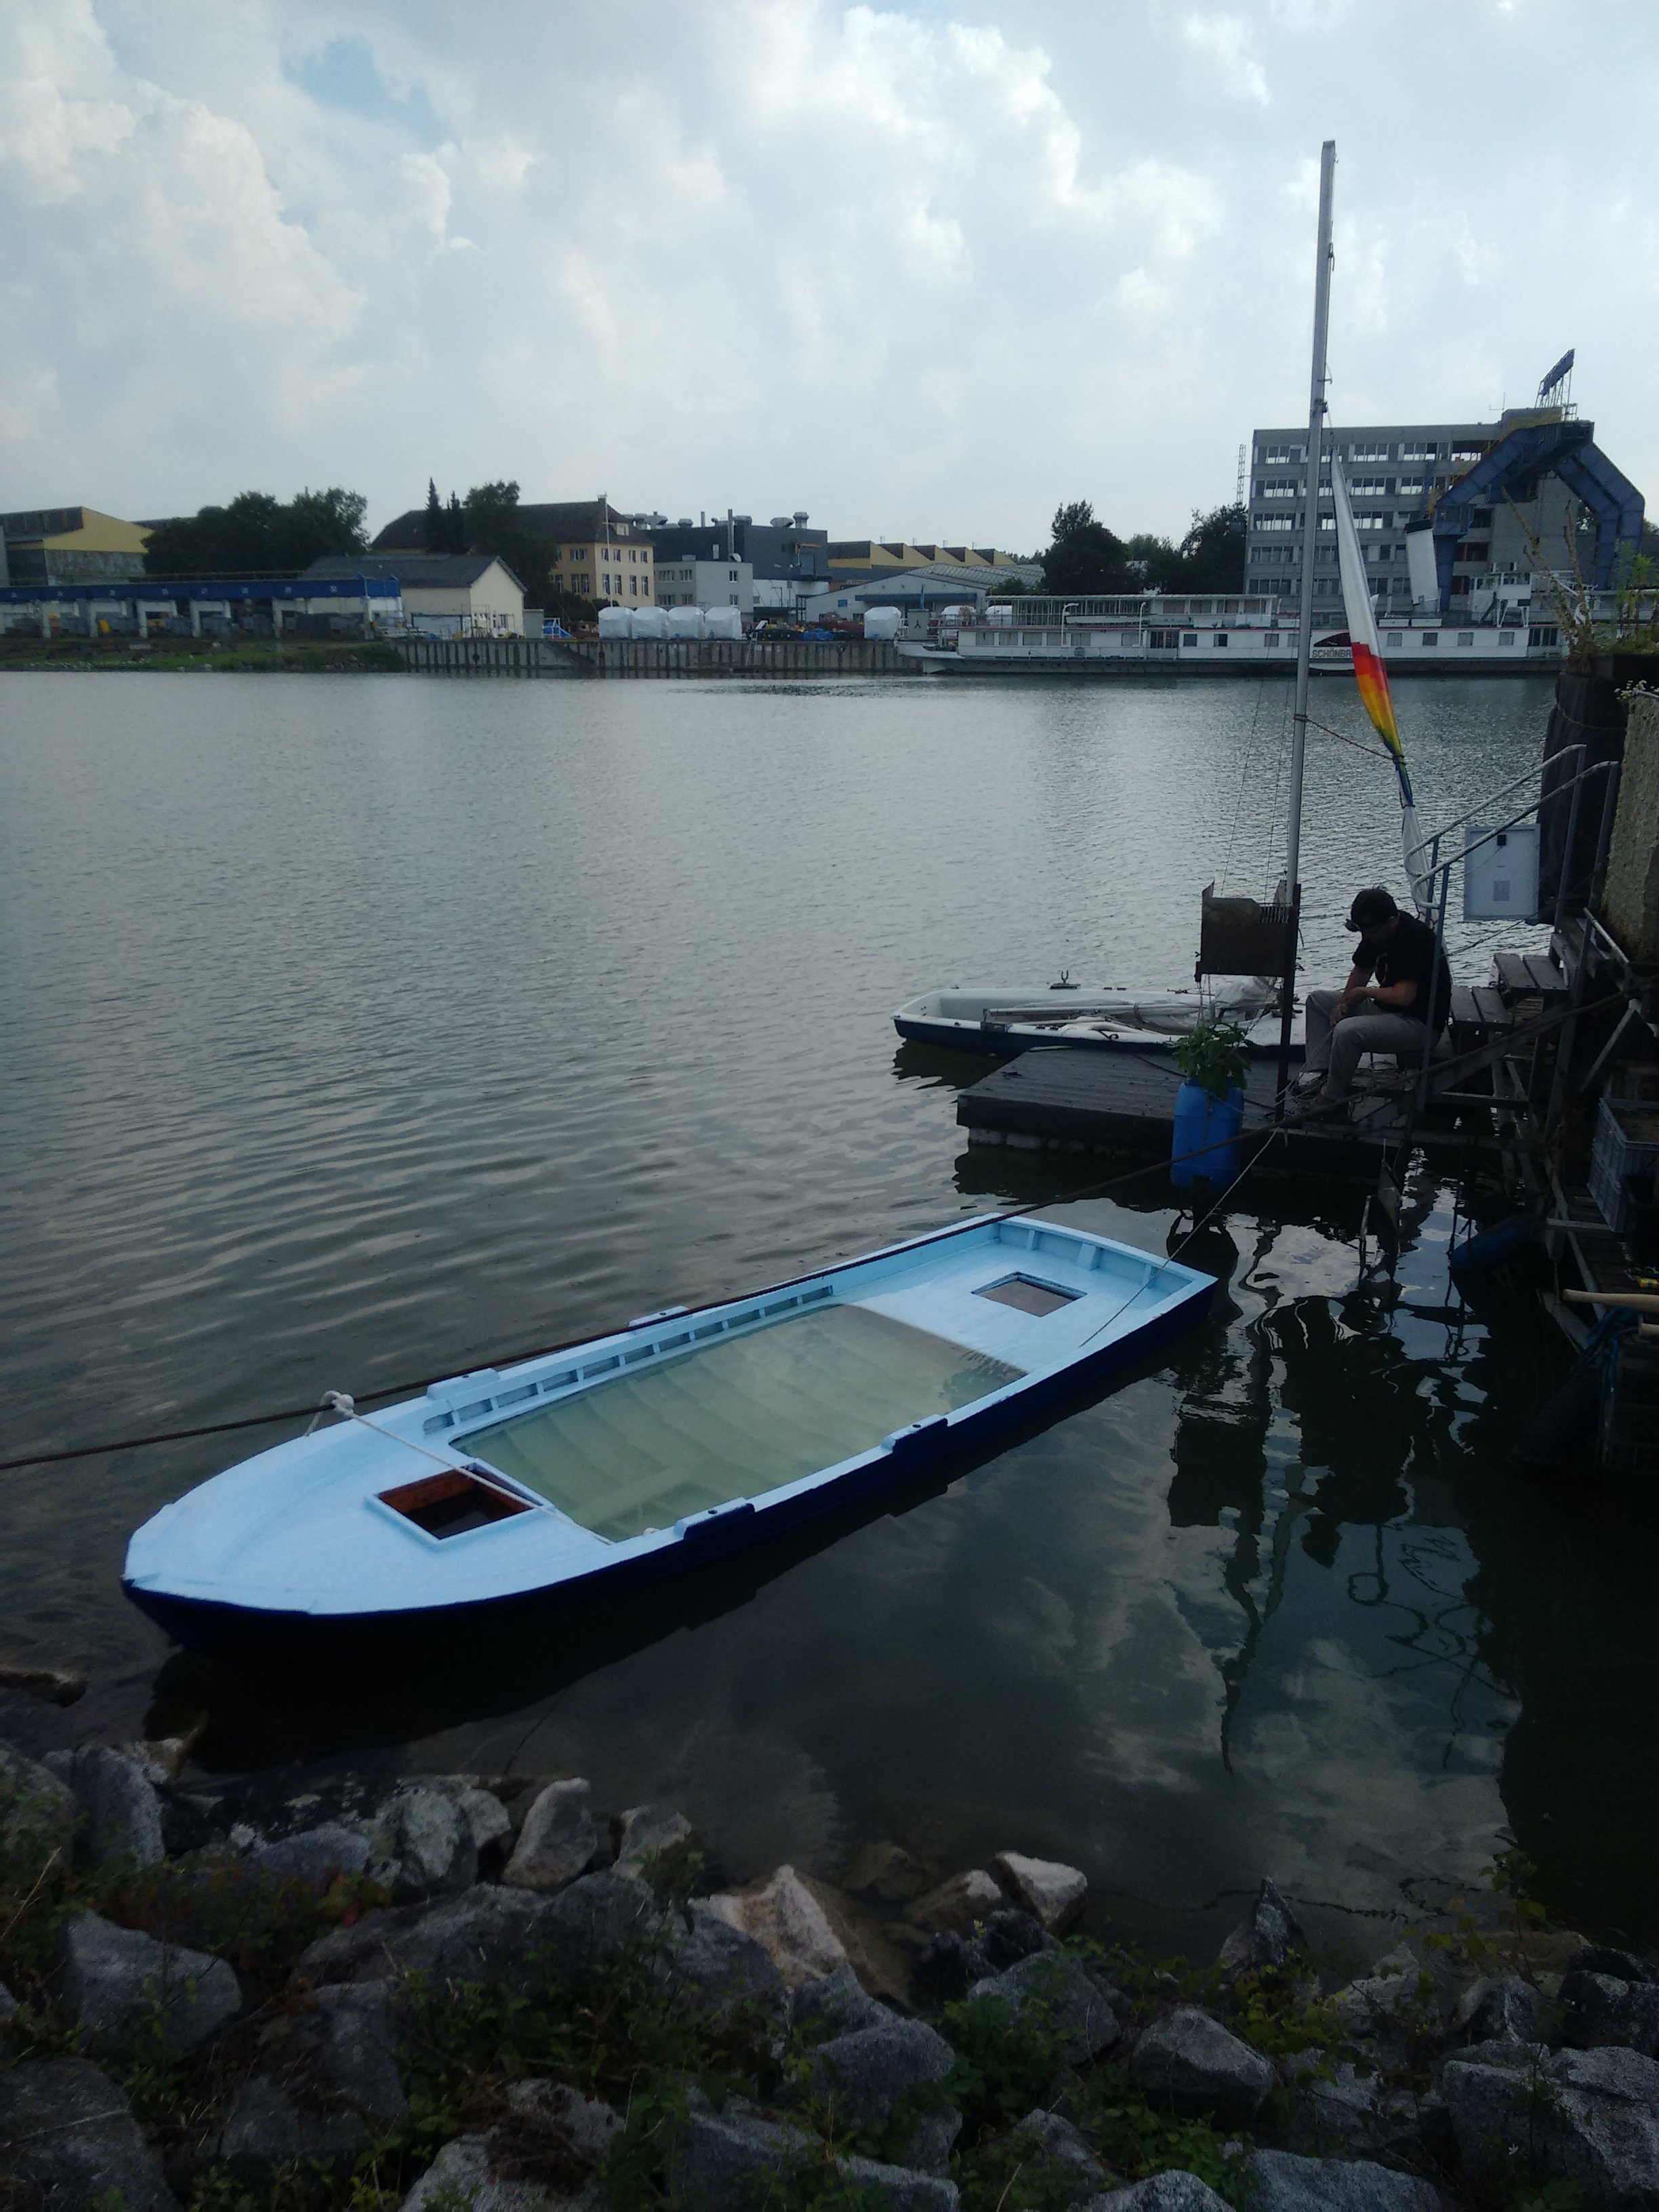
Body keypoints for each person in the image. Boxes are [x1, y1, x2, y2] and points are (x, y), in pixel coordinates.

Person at [1290, 886, 1452, 1115]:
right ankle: (1320, 1074)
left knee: (1348, 1031)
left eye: (1371, 932)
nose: (1367, 938)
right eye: (1362, 932)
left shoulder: (1414, 938)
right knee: (1317, 1002)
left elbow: (1404, 996)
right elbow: (1360, 972)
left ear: (1391, 920)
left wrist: (1365, 993)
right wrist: (1343, 1004)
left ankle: (1332, 1099)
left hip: (1418, 1024)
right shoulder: (1374, 933)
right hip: (1386, 1011)